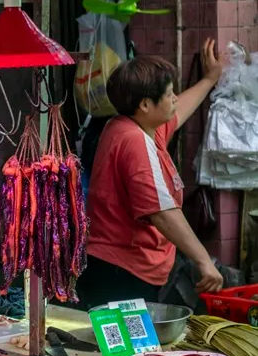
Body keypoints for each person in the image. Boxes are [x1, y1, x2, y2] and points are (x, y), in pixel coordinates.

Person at [79, 38, 226, 309]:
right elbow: (162, 211)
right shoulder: (133, 140)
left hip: (125, 268)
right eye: (169, 94)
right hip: (120, 274)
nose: (174, 98)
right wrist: (204, 260)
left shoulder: (136, 125)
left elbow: (179, 109)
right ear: (146, 105)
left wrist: (210, 79)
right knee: (128, 339)